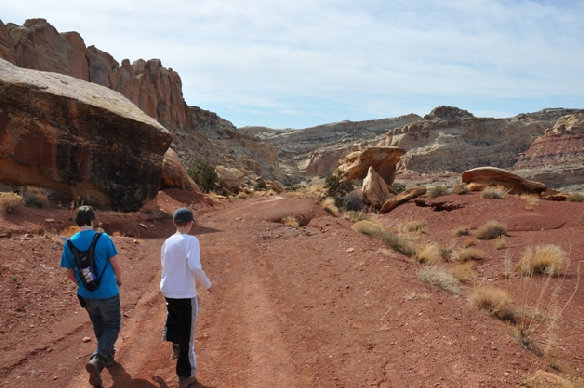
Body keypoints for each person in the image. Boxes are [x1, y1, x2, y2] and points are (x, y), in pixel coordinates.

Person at [60, 205, 122, 387]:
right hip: (108, 292)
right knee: (112, 326)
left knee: (99, 324)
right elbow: (116, 265)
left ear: (77, 222)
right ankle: (97, 359)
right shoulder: (103, 238)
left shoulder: (69, 243)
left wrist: (83, 286)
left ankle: (107, 357)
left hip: (86, 295)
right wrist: (119, 280)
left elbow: (70, 274)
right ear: (93, 220)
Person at [160, 207, 212, 388]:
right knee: (187, 337)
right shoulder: (191, 241)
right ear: (190, 223)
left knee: (174, 317)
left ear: (174, 223)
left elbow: (164, 265)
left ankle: (174, 342)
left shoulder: (167, 242)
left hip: (168, 291)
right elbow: (195, 266)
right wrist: (207, 284)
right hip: (185, 294)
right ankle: (186, 375)